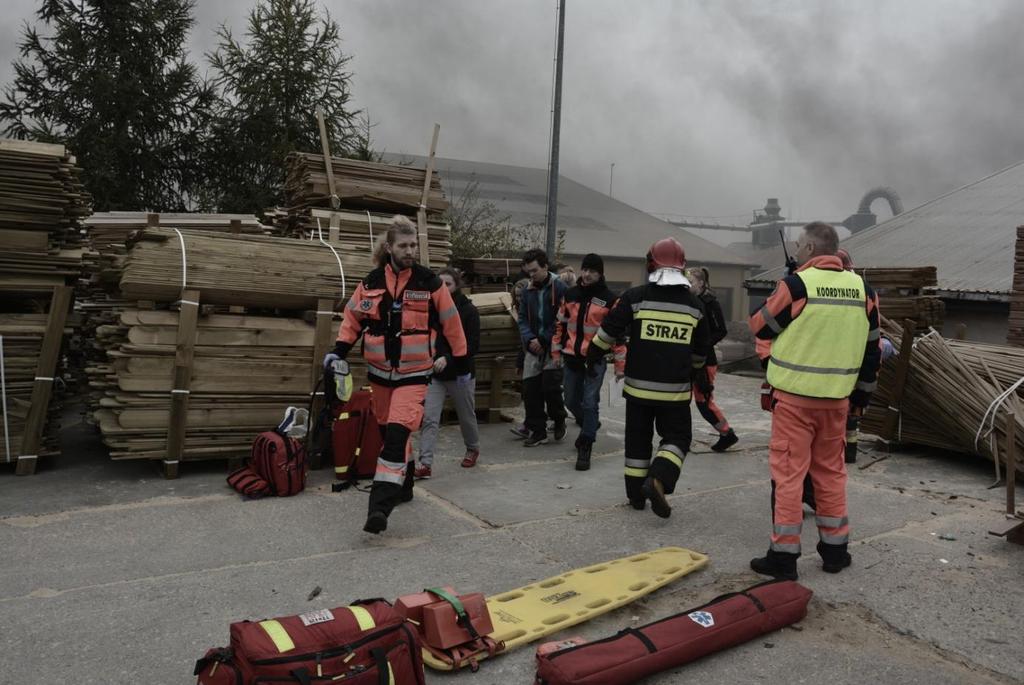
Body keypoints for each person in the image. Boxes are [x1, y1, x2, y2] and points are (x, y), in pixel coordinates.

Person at [748, 222, 880, 579]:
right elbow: (873, 349)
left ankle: (783, 558)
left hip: (794, 401)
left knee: (789, 478)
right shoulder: (864, 290)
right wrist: (863, 394)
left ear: (809, 248)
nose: (795, 249)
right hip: (837, 402)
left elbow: (760, 326)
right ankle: (835, 553)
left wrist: (786, 291)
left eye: (799, 245)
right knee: (831, 474)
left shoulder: (796, 286)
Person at [325, 216, 469, 534]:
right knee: (390, 430)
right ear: (389, 247)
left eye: (413, 245)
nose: (410, 251)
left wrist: (460, 361)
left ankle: (379, 507)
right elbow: (353, 318)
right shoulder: (372, 281)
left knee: (394, 437)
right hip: (379, 376)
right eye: (403, 245)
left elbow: (451, 322)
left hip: (414, 375)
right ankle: (405, 486)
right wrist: (339, 350)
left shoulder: (429, 282)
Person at [587, 238, 710, 518]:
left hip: (638, 390)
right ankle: (659, 478)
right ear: (682, 268)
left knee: (637, 441)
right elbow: (701, 353)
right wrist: (691, 370)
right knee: (678, 437)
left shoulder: (636, 297)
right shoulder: (694, 305)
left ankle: (636, 496)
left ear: (650, 265)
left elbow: (609, 330)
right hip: (675, 393)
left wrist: (592, 354)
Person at [551, 253, 625, 470]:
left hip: (595, 360)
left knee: (590, 402)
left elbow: (617, 334)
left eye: (593, 271)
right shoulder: (571, 294)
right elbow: (560, 326)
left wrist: (621, 367)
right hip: (572, 359)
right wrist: (556, 354)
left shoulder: (610, 299)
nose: (588, 274)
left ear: (600, 273)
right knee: (570, 401)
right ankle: (589, 424)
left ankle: (586, 444)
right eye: (585, 270)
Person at [415, 269, 481, 478]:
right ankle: (425, 463)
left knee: (466, 416)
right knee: (429, 418)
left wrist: (449, 358)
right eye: (440, 284)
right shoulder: (431, 309)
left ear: (457, 286)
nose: (443, 288)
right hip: (436, 374)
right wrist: (434, 359)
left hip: (461, 373)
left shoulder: (468, 311)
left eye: (448, 284)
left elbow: (472, 346)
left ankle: (472, 448)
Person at [517, 248, 569, 447]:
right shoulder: (527, 290)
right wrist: (531, 340)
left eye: (534, 270)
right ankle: (538, 431)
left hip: (553, 346)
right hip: (533, 348)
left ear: (545, 267)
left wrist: (544, 339)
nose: (531, 275)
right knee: (530, 391)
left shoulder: (560, 288)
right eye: (528, 272)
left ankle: (558, 419)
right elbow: (521, 318)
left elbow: (562, 318)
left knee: (551, 388)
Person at [685, 267, 738, 452]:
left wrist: (703, 345)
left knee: (703, 402)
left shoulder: (710, 303)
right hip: (686, 358)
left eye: (690, 282)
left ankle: (727, 433)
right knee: (681, 399)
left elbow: (721, 330)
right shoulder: (687, 300)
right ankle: (681, 438)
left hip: (705, 361)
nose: (687, 285)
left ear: (700, 283)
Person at [509, 276, 532, 439]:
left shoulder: (532, 312)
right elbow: (522, 343)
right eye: (516, 296)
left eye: (521, 295)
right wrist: (519, 361)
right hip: (527, 356)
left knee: (537, 394)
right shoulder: (519, 313)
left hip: (539, 356)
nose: (518, 299)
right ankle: (528, 425)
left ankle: (555, 421)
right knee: (529, 394)